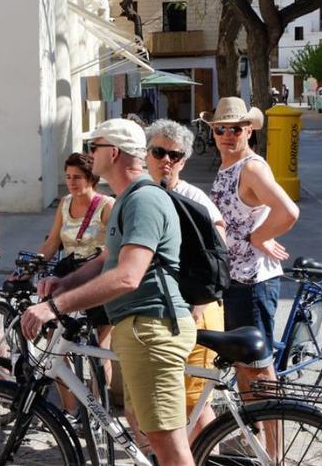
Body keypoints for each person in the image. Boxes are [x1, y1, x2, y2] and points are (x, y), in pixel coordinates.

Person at [20, 119, 196, 466]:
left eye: (93, 147)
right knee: (144, 429)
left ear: (112, 152)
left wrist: (54, 307)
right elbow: (106, 259)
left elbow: (127, 277)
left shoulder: (143, 200)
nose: (89, 154)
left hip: (152, 327)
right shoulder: (125, 200)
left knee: (168, 444)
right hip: (139, 328)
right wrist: (65, 282)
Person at [206, 97, 299, 397]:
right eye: (221, 129)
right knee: (241, 363)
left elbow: (289, 211)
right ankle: (253, 431)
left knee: (258, 367)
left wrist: (259, 237)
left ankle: (272, 442)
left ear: (249, 130)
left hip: (252, 282)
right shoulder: (227, 165)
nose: (227, 135)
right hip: (234, 279)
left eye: (235, 129)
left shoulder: (251, 168)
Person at [144, 119, 229, 440]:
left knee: (195, 402)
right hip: (164, 311)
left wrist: (200, 301)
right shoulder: (146, 193)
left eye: (175, 155)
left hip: (196, 309)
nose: (166, 160)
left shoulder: (192, 198)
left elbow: (219, 247)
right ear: (146, 153)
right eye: (159, 152)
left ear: (184, 160)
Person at [36, 152, 114, 412]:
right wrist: (33, 263)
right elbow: (52, 241)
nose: (71, 182)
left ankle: (97, 412)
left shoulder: (107, 205)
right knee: (54, 343)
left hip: (97, 277)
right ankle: (71, 409)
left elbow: (114, 249)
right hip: (67, 276)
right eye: (68, 177)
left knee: (100, 348)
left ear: (91, 178)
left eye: (77, 177)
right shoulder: (64, 203)